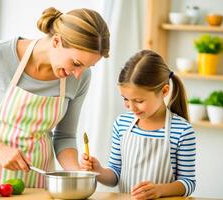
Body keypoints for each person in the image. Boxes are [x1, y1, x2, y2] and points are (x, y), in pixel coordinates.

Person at [0, 7, 110, 187]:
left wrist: (77, 174)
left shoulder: (80, 78)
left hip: (40, 182)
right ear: (57, 41)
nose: (78, 74)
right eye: (76, 63)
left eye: (87, 67)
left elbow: (65, 136)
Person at [80, 50, 196, 199]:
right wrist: (99, 171)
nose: (131, 107)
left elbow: (188, 183)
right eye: (125, 99)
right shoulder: (121, 124)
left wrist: (160, 190)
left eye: (139, 101)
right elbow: (115, 175)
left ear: (164, 91)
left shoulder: (182, 130)